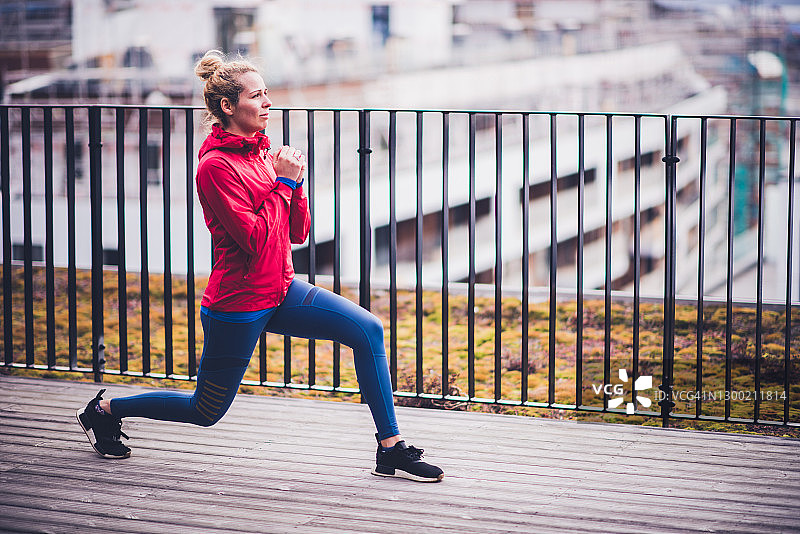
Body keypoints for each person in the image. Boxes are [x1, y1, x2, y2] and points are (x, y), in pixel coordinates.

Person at [76, 50, 444, 483]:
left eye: (267, 93)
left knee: (368, 329)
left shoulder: (261, 154)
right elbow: (253, 239)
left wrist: (296, 182)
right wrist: (283, 182)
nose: (268, 102)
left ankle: (391, 447)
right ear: (228, 107)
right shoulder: (214, 168)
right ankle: (104, 410)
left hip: (282, 288)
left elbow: (297, 232)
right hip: (238, 302)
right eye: (257, 95)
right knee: (205, 411)